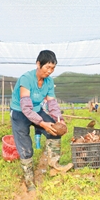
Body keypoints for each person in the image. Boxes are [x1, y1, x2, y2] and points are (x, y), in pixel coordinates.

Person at [10, 50, 72, 191]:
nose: (50, 71)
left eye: (53, 68)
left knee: (55, 131)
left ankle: (55, 166)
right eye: (47, 67)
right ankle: (29, 179)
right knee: (26, 147)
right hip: (20, 113)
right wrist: (42, 123)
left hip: (37, 109)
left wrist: (59, 119)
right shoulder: (26, 79)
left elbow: (52, 103)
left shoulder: (49, 81)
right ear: (38, 64)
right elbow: (26, 108)